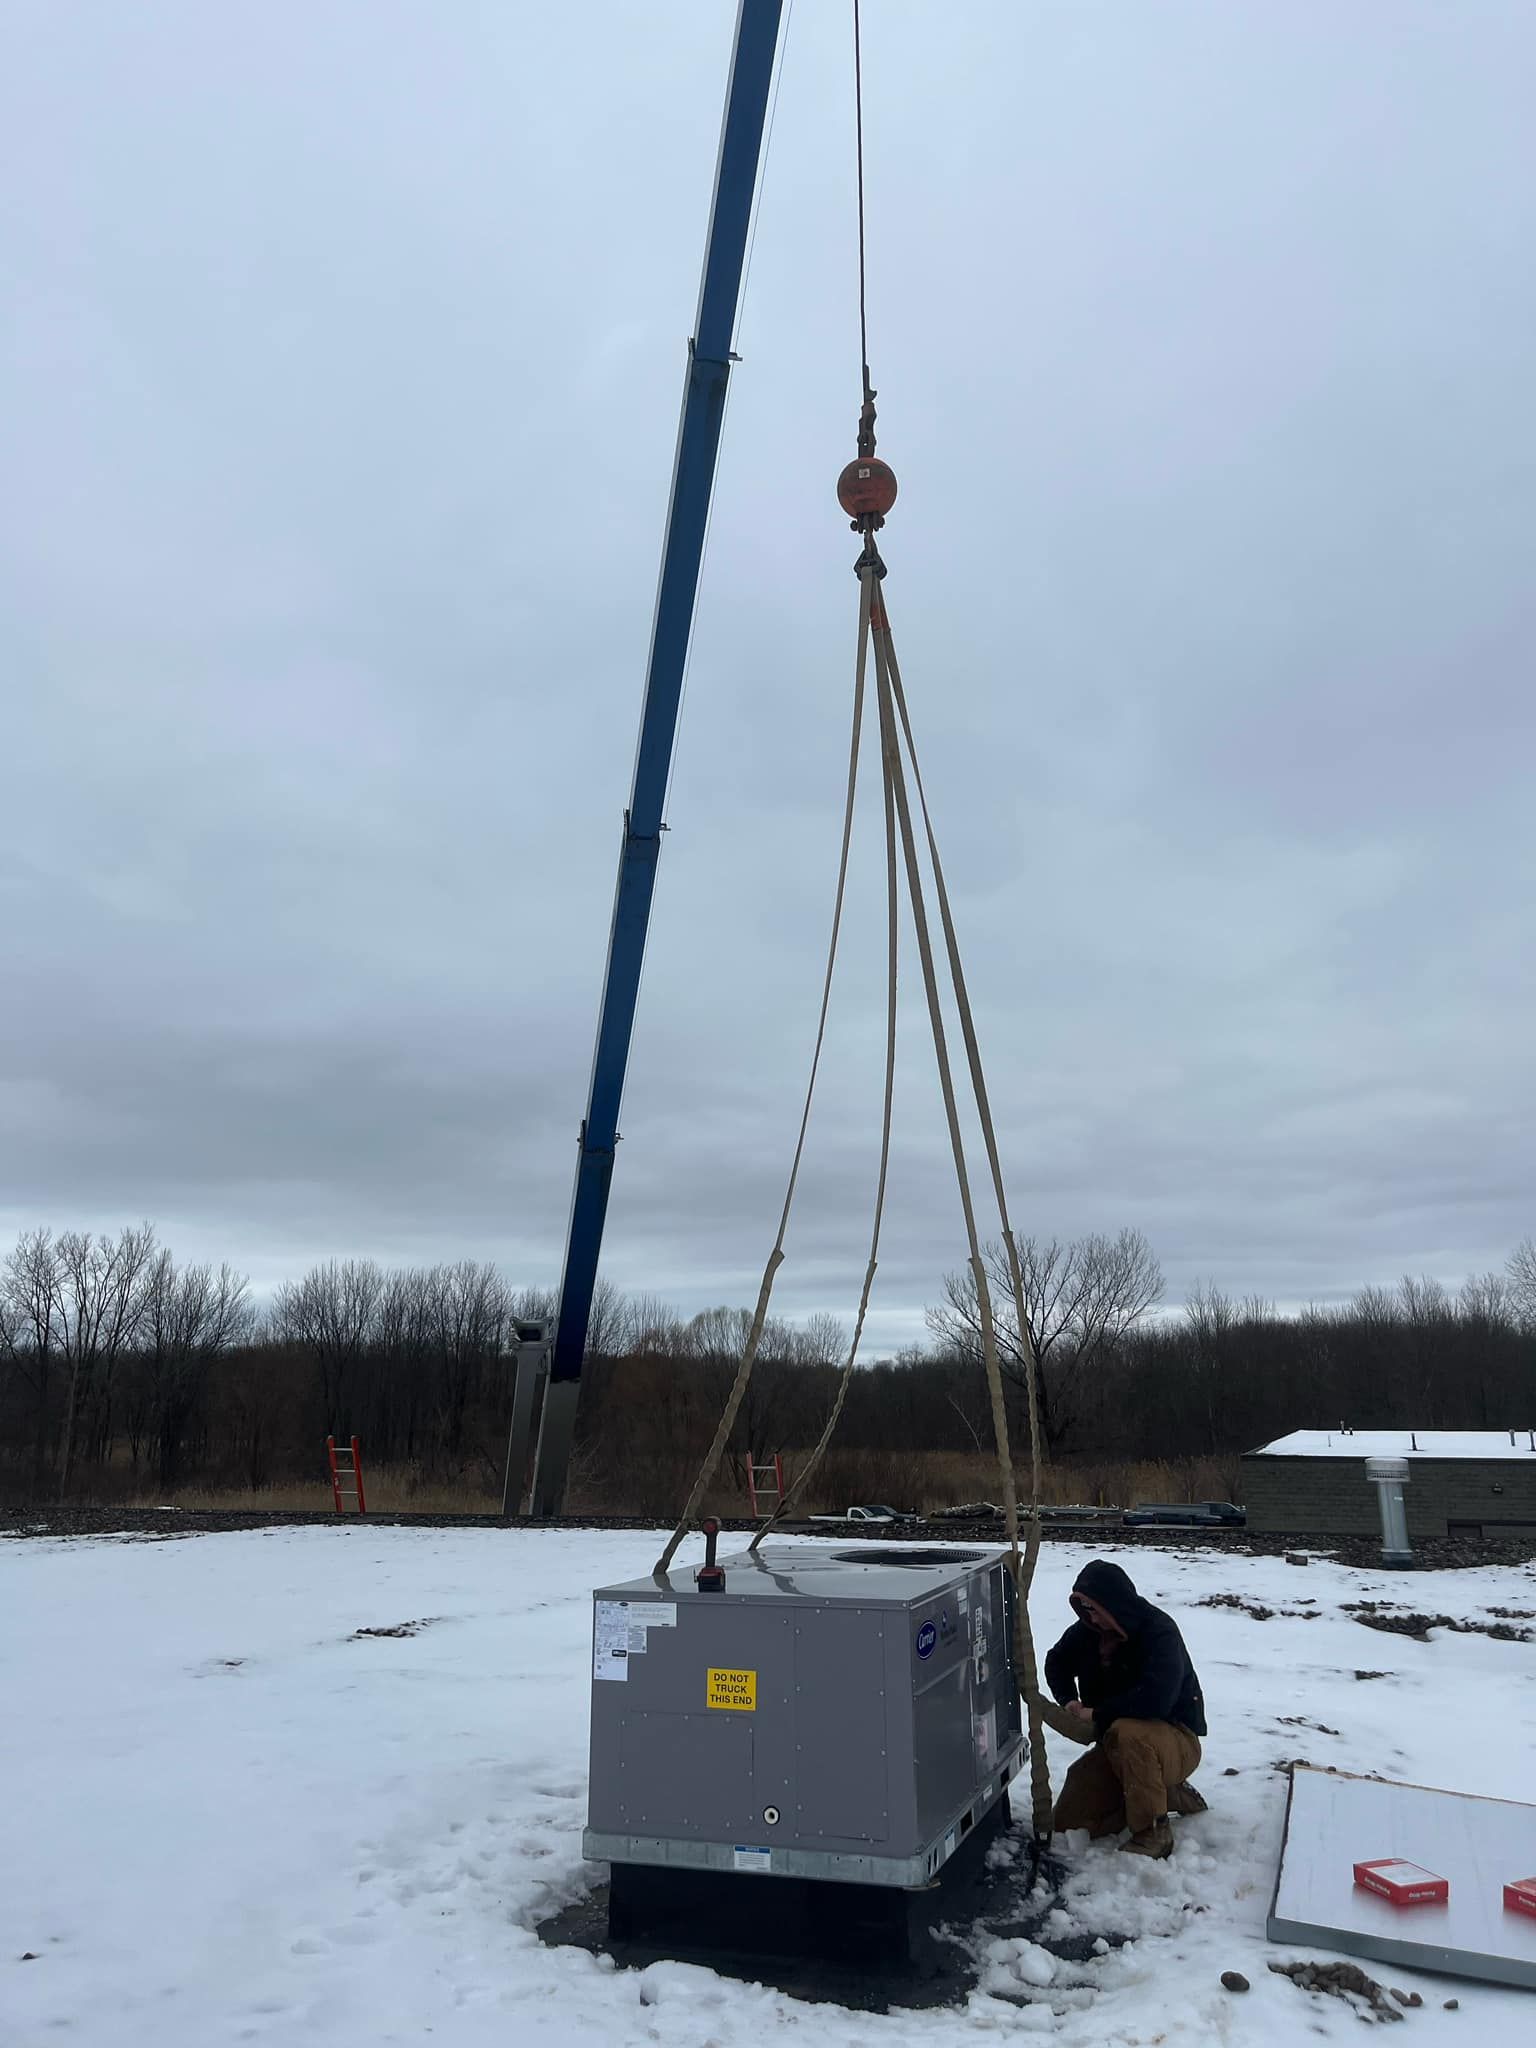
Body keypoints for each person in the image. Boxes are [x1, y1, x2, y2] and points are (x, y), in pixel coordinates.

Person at [1042, 1559, 1207, 1860]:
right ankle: (1158, 1794)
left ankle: (1152, 1833)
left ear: (1114, 1603)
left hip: (1175, 1741)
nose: (1091, 1617)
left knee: (1128, 1732)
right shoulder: (1087, 1632)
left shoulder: (1159, 1632)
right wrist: (1069, 1700)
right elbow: (1057, 1662)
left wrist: (1097, 1713)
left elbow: (1157, 1699)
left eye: (1095, 1609)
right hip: (1117, 1747)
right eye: (1085, 1609)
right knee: (1068, 1821)